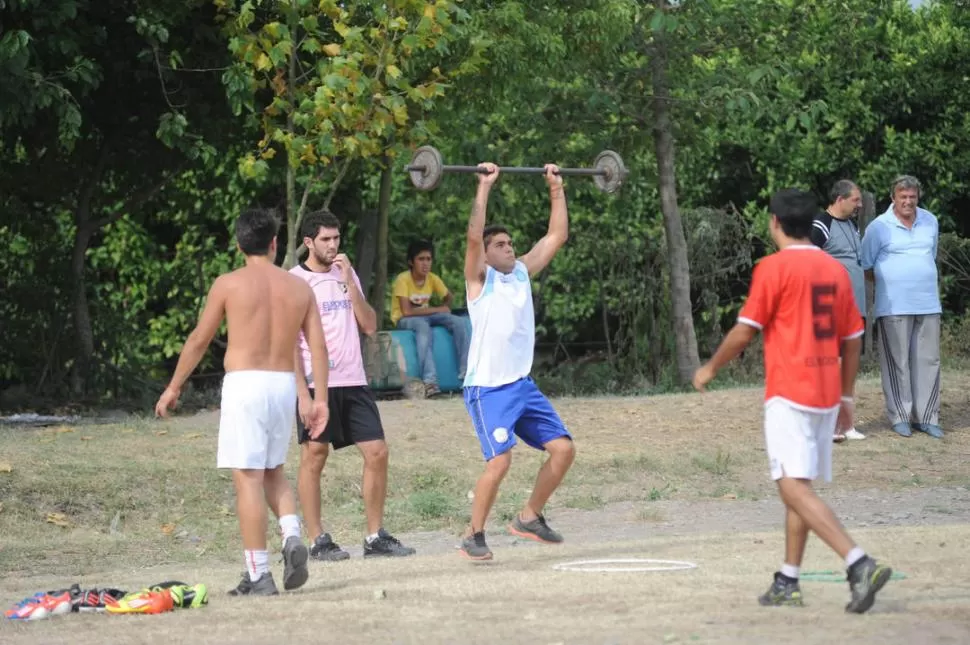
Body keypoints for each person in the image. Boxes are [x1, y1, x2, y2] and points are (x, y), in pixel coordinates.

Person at [693, 188, 893, 614]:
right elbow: (853, 339)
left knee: (789, 485)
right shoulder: (836, 270)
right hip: (824, 393)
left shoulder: (773, 268)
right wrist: (846, 395)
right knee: (799, 486)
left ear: (774, 223)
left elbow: (745, 330)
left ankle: (859, 562)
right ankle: (789, 578)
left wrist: (709, 369)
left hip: (790, 391)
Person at [155, 207, 329, 597]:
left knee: (247, 478)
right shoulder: (299, 287)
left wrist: (174, 386)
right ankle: (291, 534)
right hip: (283, 384)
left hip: (245, 383)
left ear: (238, 245)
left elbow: (200, 338)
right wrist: (321, 400)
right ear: (274, 243)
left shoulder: (228, 284)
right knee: (274, 471)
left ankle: (258, 574)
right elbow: (318, 346)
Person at [458, 162, 575, 562]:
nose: (509, 248)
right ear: (486, 256)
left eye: (511, 244)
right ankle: (473, 534)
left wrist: (555, 188)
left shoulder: (522, 273)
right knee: (501, 460)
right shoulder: (480, 280)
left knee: (562, 449)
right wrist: (484, 187)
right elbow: (474, 235)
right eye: (501, 245)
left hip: (522, 385)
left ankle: (529, 517)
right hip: (488, 388)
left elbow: (557, 235)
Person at [290, 210, 416, 560]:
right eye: (326, 239)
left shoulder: (347, 274)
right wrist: (302, 393)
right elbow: (288, 343)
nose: (333, 245)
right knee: (314, 455)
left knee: (377, 452)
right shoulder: (294, 280)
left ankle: (374, 537)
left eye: (336, 238)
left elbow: (371, 325)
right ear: (308, 242)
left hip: (354, 379)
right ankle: (317, 540)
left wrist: (348, 281)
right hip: (318, 384)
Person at [861, 175, 943, 438]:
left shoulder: (930, 220)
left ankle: (927, 417)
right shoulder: (878, 226)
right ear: (893, 198)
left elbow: (930, 256)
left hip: (928, 302)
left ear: (918, 197)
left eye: (912, 197)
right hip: (893, 305)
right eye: (903, 197)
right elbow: (867, 265)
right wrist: (891, 280)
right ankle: (900, 416)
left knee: (928, 361)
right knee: (898, 363)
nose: (908, 202)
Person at [811, 179, 867, 441]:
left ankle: (846, 424)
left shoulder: (853, 225)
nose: (860, 204)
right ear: (840, 199)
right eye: (855, 199)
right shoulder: (822, 223)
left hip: (856, 307)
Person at [390, 239, 470, 398]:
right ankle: (430, 381)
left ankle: (466, 372)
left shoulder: (432, 278)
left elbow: (448, 297)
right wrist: (438, 309)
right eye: (421, 259)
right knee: (422, 328)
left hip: (426, 315)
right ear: (411, 262)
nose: (425, 263)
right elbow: (406, 311)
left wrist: (443, 308)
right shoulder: (403, 279)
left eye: (428, 259)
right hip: (405, 319)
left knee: (459, 322)